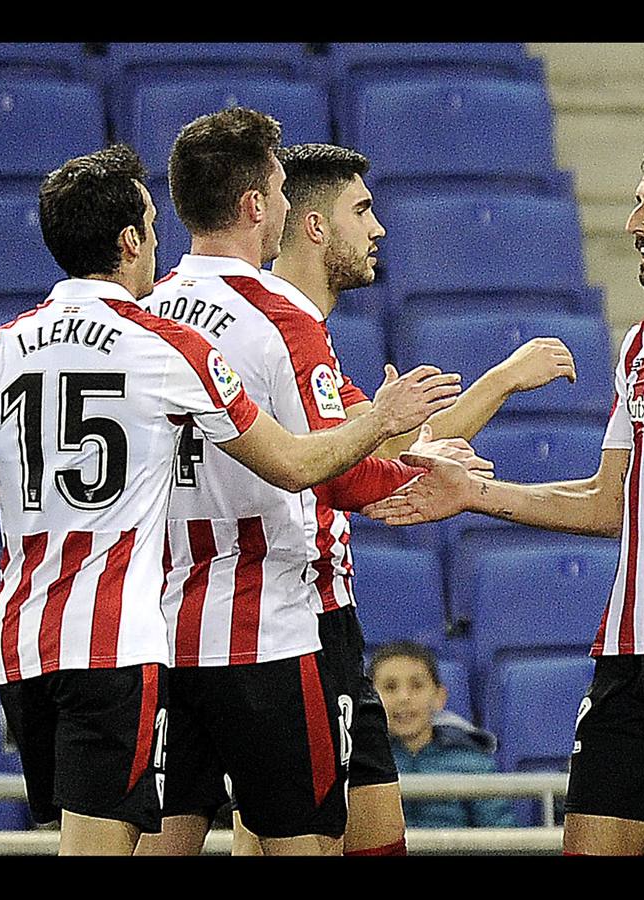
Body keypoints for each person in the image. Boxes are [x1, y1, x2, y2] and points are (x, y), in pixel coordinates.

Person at [0, 144, 450, 855]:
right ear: (130, 241)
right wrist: (382, 422)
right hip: (134, 642)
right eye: (148, 223)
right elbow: (299, 466)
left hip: (24, 649)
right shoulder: (168, 346)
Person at [365, 139, 644, 856]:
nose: (634, 220)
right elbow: (608, 501)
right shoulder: (643, 343)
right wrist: (472, 493)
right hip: (628, 655)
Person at [129, 109, 467, 857]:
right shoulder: (279, 316)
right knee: (305, 839)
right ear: (258, 204)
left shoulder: (145, 313)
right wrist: (399, 445)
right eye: (279, 190)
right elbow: (330, 474)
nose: (283, 207)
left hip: (161, 623)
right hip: (273, 629)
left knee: (168, 835)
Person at [226, 141, 572, 856]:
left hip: (304, 623)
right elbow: (363, 472)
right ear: (316, 227)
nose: (379, 228)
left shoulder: (301, 334)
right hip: (290, 621)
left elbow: (382, 451)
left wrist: (499, 383)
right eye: (362, 210)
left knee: (323, 832)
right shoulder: (276, 329)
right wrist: (426, 470)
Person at [372, 642, 516, 828]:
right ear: (370, 697)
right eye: (390, 687)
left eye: (416, 686)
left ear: (439, 697)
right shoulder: (360, 763)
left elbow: (502, 836)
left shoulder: (473, 763)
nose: (403, 698)